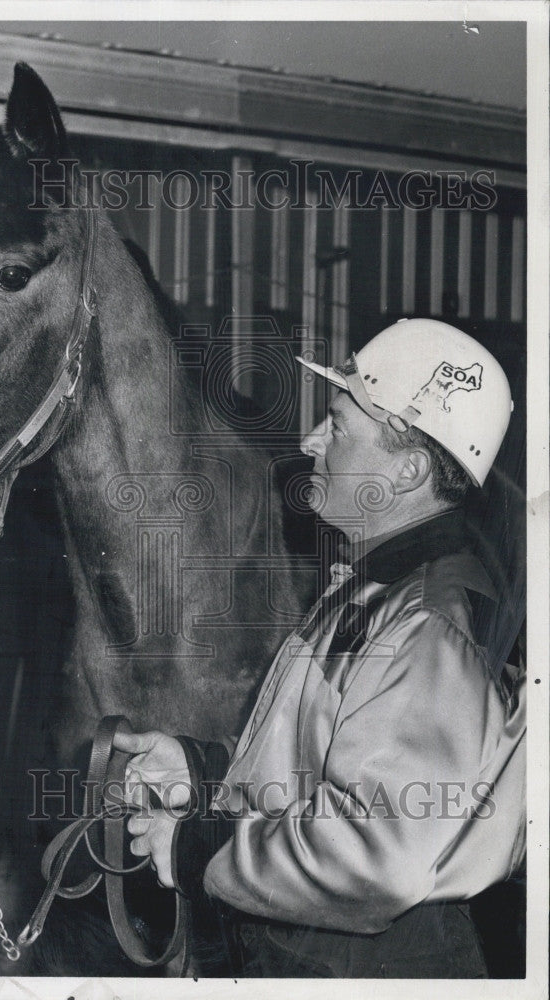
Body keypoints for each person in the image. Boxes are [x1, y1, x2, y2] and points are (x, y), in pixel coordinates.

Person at [113, 318, 526, 978]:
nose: (311, 442)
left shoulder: (431, 624)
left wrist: (196, 850)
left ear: (411, 468)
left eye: (337, 426)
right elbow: (330, 764)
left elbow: (376, 857)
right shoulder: (376, 587)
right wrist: (206, 773)